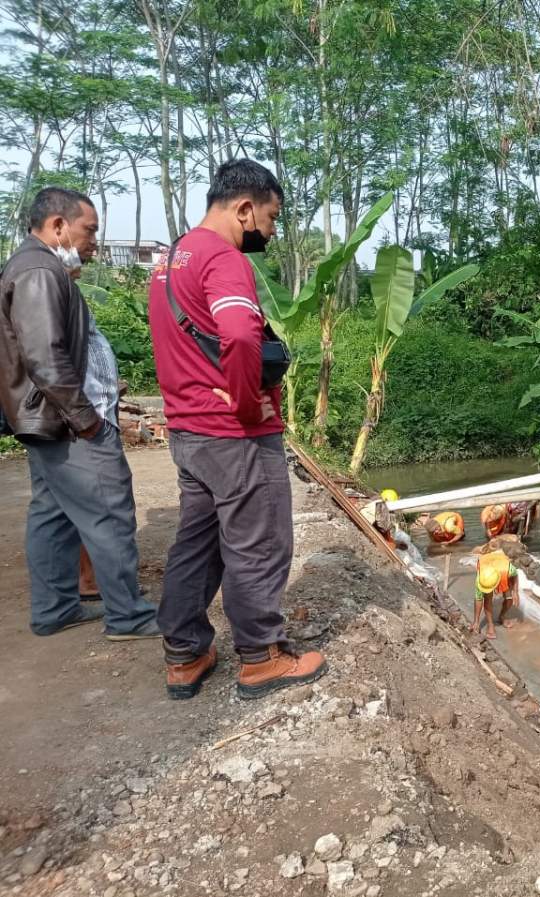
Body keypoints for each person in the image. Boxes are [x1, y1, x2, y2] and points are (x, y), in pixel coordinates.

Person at [148, 159, 325, 700]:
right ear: (245, 208)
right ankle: (262, 656)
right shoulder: (223, 259)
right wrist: (250, 407)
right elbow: (243, 338)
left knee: (197, 543)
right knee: (258, 542)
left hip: (188, 431)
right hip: (232, 434)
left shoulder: (169, 259)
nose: (271, 232)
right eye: (271, 218)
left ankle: (184, 654)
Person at [0, 187, 160, 639]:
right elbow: (44, 356)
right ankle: (128, 615)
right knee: (110, 511)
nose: (93, 240)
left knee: (53, 513)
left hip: (51, 420)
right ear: (57, 225)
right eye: (88, 229)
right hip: (68, 423)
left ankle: (55, 610)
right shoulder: (38, 270)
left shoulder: (43, 268)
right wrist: (85, 417)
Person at [473, 549, 520, 639]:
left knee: (510, 599)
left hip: (500, 565)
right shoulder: (481, 579)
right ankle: (490, 625)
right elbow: (478, 599)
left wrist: (516, 592)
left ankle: (501, 616)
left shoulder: (508, 570)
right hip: (486, 564)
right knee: (487, 598)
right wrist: (476, 621)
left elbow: (515, 575)